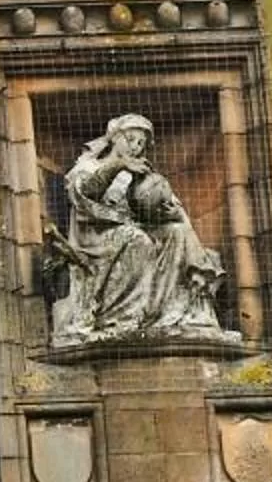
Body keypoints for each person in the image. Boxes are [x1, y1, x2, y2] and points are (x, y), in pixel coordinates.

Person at [50, 113, 230, 345]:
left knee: (176, 232)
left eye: (141, 143)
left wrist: (165, 210)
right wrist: (117, 166)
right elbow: (85, 194)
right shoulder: (88, 165)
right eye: (131, 139)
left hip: (132, 230)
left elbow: (172, 210)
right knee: (138, 240)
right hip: (96, 238)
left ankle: (165, 315)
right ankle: (121, 319)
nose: (135, 147)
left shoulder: (141, 173)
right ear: (114, 138)